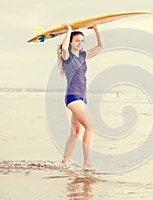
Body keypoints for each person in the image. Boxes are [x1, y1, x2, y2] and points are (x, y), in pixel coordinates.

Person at [57, 23, 104, 169]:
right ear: (71, 41)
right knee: (90, 127)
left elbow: (101, 47)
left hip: (82, 97)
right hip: (73, 96)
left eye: (82, 41)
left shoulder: (83, 56)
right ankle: (87, 162)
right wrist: (69, 30)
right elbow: (64, 48)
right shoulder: (68, 57)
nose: (80, 43)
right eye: (77, 40)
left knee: (76, 132)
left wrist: (96, 30)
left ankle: (64, 162)